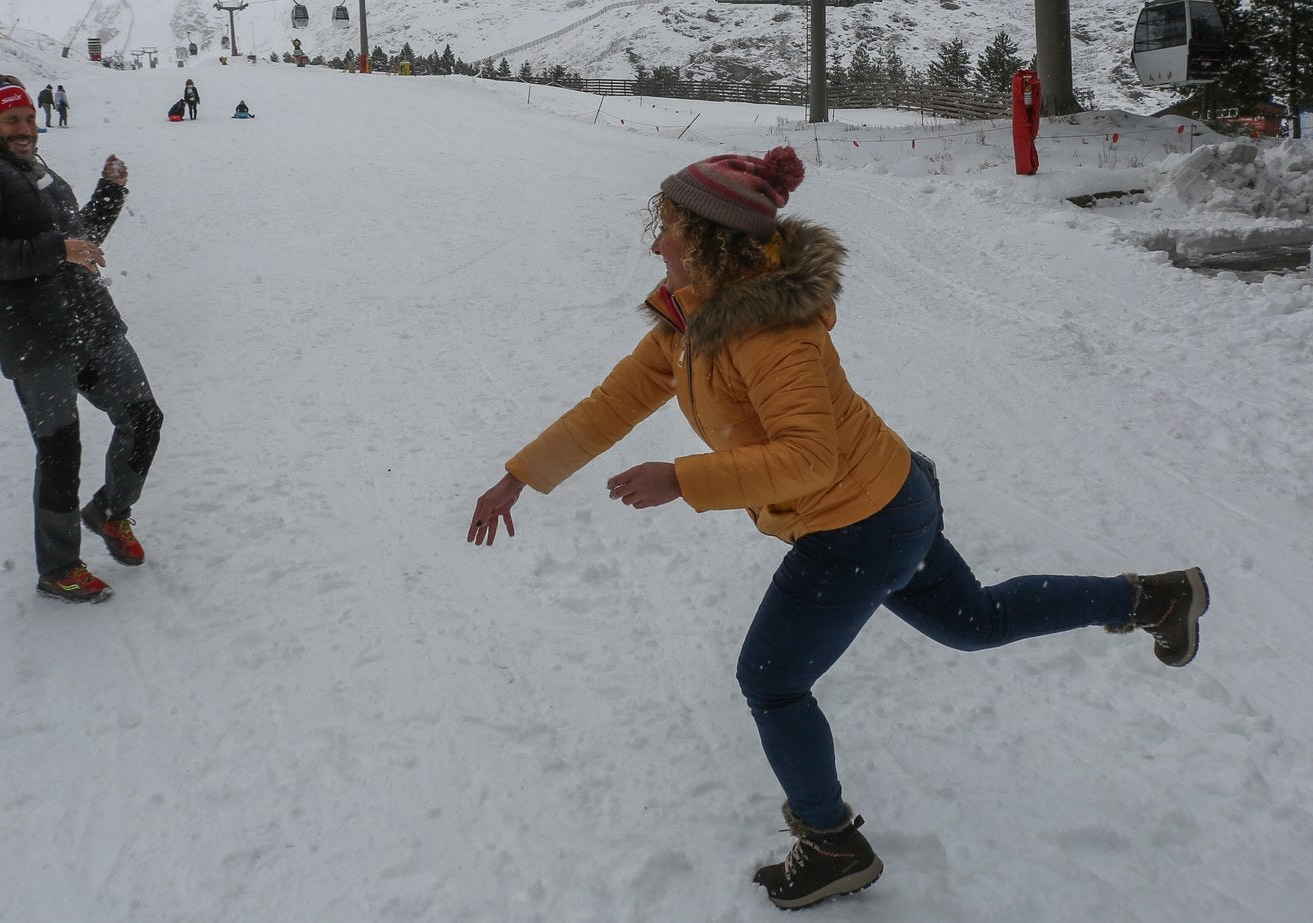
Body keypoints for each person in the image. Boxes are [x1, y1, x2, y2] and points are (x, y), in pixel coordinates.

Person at [467, 146, 1209, 910]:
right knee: (976, 620)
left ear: (715, 241)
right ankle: (1150, 597)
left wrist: (681, 478)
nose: (657, 243)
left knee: (770, 679)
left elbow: (807, 458)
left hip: (859, 526)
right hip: (893, 497)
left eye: (671, 228)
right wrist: (518, 476)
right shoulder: (690, 324)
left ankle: (831, 844)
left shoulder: (770, 333)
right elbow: (611, 403)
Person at [0, 72, 163, 603]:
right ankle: (59, 567)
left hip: (88, 320)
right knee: (61, 450)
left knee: (144, 419)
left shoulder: (31, 167)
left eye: (29, 119)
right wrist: (58, 251)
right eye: (11, 119)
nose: (24, 128)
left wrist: (110, 194)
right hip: (35, 337)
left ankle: (109, 512)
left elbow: (74, 239)